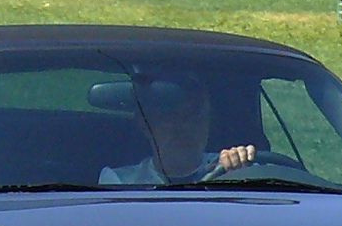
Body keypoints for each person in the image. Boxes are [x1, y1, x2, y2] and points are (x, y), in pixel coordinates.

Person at [99, 75, 256, 185]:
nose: (183, 126)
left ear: (208, 122)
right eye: (170, 117)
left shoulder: (233, 168)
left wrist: (238, 175)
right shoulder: (121, 182)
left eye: (194, 116)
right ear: (146, 125)